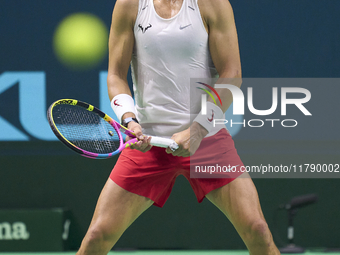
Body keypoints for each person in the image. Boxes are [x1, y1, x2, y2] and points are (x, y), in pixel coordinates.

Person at [77, 0, 281, 254]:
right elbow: (116, 74)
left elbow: (232, 73)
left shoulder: (213, 4)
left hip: (208, 141)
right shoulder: (130, 4)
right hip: (147, 144)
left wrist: (197, 131)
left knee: (258, 230)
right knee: (97, 237)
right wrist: (130, 120)